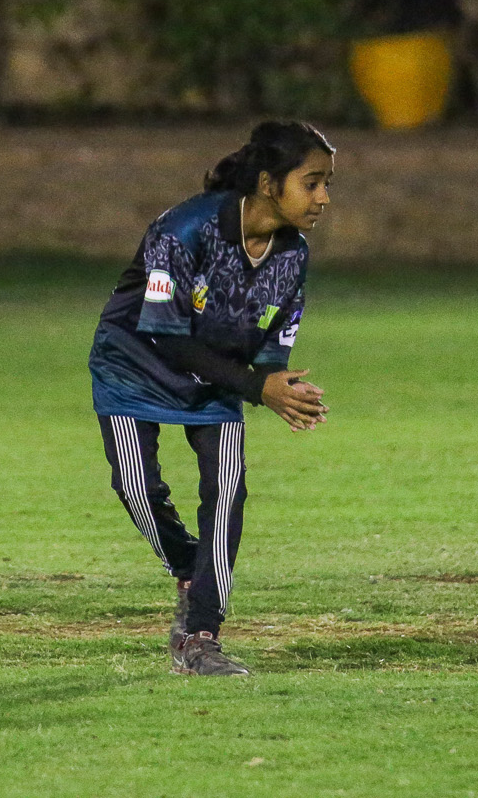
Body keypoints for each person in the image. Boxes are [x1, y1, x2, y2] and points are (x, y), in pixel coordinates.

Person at [88, 120, 334, 676]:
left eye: (327, 184)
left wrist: (278, 384)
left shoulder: (292, 254)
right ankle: (188, 569)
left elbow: (273, 339)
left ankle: (200, 637)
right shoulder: (183, 230)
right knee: (136, 487)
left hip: (218, 379)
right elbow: (168, 336)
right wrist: (258, 386)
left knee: (226, 496)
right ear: (269, 184)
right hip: (134, 367)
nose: (323, 198)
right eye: (312, 183)